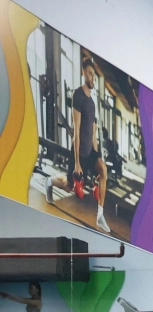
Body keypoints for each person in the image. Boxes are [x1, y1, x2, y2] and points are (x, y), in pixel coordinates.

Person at [46, 55, 109, 233]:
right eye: (89, 74)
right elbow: (77, 130)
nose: (92, 78)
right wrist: (78, 164)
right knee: (69, 186)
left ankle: (100, 216)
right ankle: (49, 181)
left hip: (91, 152)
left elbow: (94, 132)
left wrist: (97, 158)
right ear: (83, 73)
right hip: (79, 152)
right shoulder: (78, 95)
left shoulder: (92, 102)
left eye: (94, 75)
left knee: (103, 170)